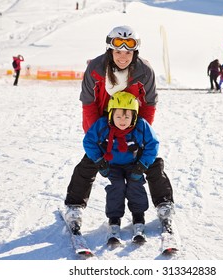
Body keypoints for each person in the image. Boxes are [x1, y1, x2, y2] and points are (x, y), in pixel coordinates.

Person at [64, 25, 174, 235]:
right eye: (118, 52)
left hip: (133, 125)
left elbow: (149, 104)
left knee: (153, 164)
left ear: (135, 52)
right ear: (110, 51)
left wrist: (140, 134)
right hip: (105, 124)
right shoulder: (96, 69)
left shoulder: (144, 71)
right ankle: (74, 206)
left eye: (128, 52)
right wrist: (97, 137)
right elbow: (89, 104)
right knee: (86, 166)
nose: (123, 57)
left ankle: (164, 205)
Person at [83, 91, 159, 243]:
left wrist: (143, 164)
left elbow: (153, 144)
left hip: (134, 165)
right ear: (111, 115)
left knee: (135, 185)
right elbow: (89, 141)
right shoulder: (103, 125)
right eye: (118, 116)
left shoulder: (141, 126)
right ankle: (114, 220)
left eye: (127, 117)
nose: (122, 121)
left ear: (134, 116)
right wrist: (99, 160)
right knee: (116, 187)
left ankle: (138, 218)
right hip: (112, 166)